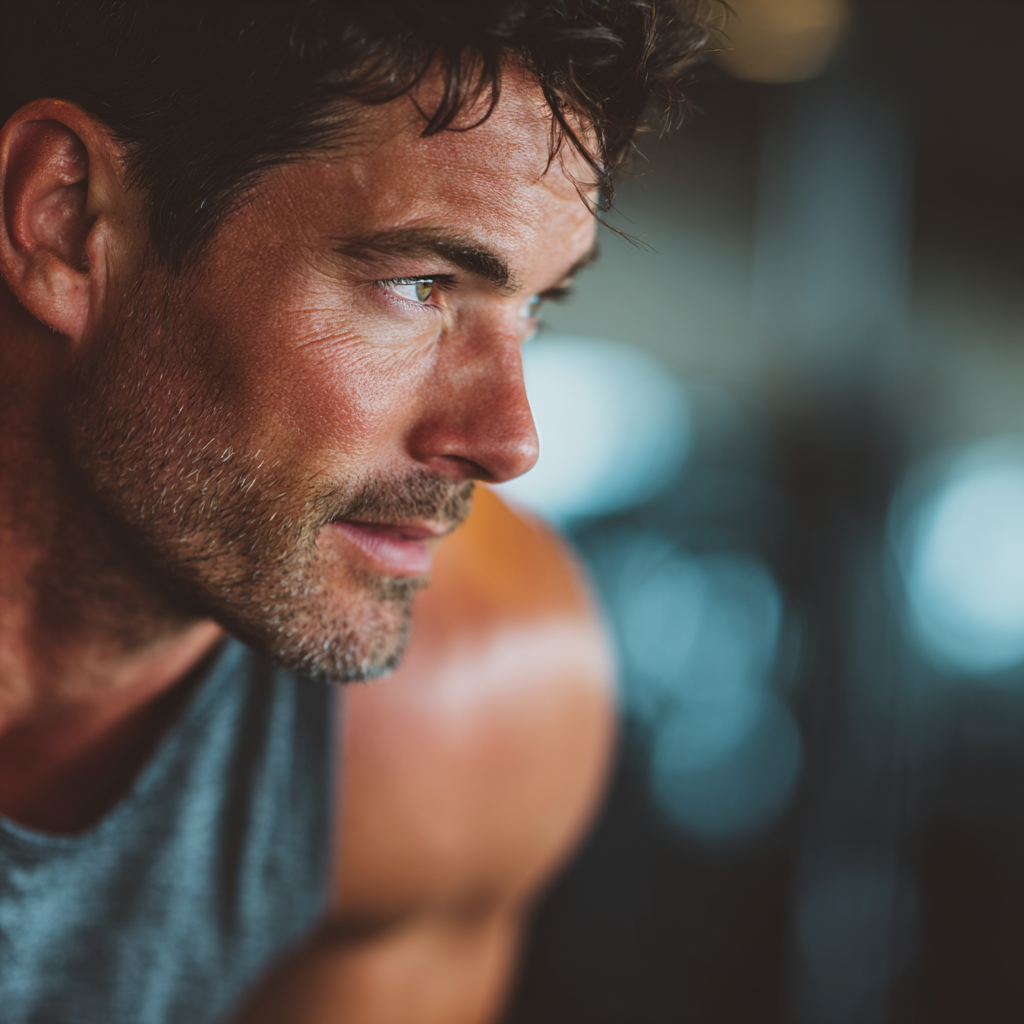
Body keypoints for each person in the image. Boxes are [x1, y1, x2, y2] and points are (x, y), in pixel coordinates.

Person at [0, 2, 710, 1021]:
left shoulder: (469, 710)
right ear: (68, 221)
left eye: (535, 309)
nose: (510, 442)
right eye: (420, 284)